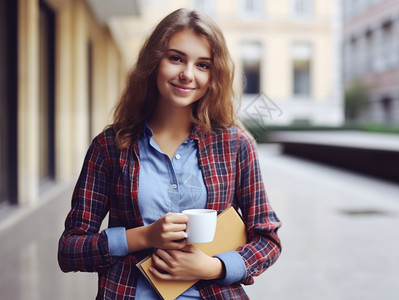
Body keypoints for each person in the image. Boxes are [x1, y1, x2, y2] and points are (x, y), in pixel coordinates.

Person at [58, 8, 281, 300]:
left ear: (215, 75)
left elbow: (268, 239)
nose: (187, 75)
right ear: (154, 62)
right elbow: (70, 250)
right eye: (176, 58)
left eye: (203, 65)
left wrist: (214, 267)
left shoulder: (235, 145)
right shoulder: (110, 146)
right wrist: (142, 237)